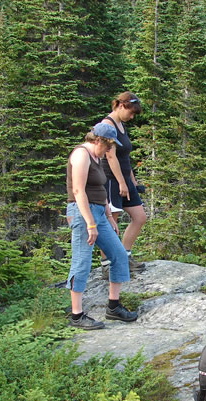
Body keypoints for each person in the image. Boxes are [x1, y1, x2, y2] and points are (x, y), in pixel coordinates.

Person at [66, 122, 138, 330]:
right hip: (82, 213)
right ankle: (77, 315)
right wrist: (90, 223)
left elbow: (99, 189)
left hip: (98, 212)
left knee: (118, 254)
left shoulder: (96, 157)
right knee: (82, 261)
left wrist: (108, 216)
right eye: (107, 145)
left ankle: (113, 307)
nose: (109, 149)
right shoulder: (81, 155)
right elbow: (79, 192)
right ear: (97, 140)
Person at [100, 92, 146, 278]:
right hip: (111, 179)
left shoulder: (121, 124)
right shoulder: (107, 125)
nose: (132, 116)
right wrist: (120, 182)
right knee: (112, 221)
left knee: (140, 216)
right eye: (131, 112)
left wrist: (132, 181)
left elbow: (124, 157)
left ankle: (124, 255)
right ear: (120, 106)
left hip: (124, 178)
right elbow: (110, 156)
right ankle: (107, 264)